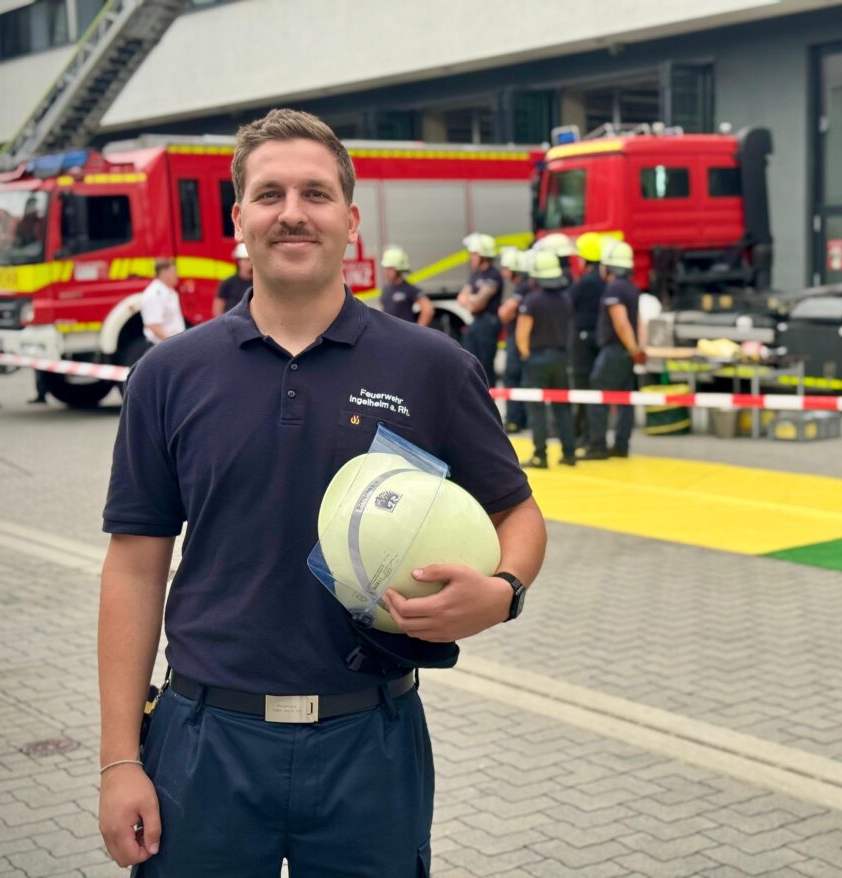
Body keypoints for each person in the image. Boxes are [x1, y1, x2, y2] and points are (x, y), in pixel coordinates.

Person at [97, 108, 546, 877]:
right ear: (239, 218)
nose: (292, 213)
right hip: (204, 741)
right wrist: (118, 761)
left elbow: (518, 512)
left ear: (351, 219)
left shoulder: (432, 367)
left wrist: (503, 592)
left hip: (370, 739)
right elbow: (135, 567)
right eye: (269, 194)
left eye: (315, 193)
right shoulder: (168, 376)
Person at [581, 240, 644, 460]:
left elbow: (621, 323)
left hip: (615, 351)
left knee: (598, 395)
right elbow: (638, 321)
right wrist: (636, 349)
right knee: (625, 399)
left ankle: (597, 445)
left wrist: (633, 348)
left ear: (608, 266)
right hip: (625, 352)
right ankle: (621, 445)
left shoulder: (614, 288)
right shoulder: (631, 287)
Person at [517, 249, 577, 469]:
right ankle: (569, 453)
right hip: (561, 358)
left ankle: (540, 455)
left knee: (537, 409)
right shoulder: (566, 299)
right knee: (562, 408)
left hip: (538, 359)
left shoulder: (532, 301)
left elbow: (522, 335)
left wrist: (526, 355)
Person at [567, 232, 607, 448]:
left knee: (582, 388)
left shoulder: (583, 284)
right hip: (598, 338)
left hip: (581, 341)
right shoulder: (605, 282)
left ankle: (584, 435)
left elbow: (568, 305)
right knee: (596, 389)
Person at [456, 232, 503, 386]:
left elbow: (479, 303)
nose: (471, 258)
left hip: (488, 324)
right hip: (476, 322)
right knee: (469, 361)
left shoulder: (493, 275)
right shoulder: (476, 274)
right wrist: (472, 300)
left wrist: (471, 300)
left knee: (485, 366)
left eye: (474, 254)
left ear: (483, 255)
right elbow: (461, 298)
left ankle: (489, 396)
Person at [497, 247, 529, 433]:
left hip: (516, 339)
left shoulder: (522, 288)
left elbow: (505, 312)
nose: (504, 272)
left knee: (513, 376)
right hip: (520, 338)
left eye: (506, 268)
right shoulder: (526, 286)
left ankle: (514, 421)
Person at [379, 245, 434, 326]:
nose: (386, 272)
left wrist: (417, 331)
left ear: (399, 269)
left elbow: (428, 310)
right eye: (386, 268)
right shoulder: (386, 289)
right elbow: (381, 312)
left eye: (390, 268)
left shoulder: (409, 289)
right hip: (388, 332)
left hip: (403, 333)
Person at [139, 259, 185, 345]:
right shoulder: (154, 294)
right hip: (161, 345)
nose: (177, 275)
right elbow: (153, 325)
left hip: (169, 343)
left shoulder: (169, 291)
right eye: (174, 272)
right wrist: (172, 342)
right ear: (164, 273)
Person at [213, 243, 253, 316]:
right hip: (231, 321)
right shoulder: (228, 283)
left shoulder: (259, 284)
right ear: (239, 261)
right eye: (246, 260)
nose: (250, 263)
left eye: (251, 260)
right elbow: (218, 308)